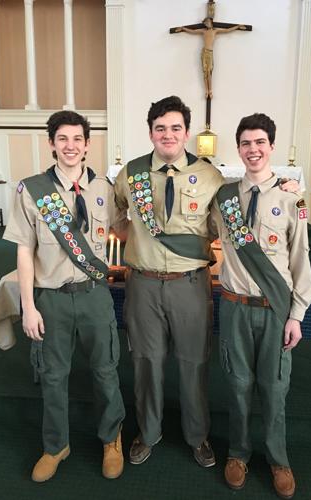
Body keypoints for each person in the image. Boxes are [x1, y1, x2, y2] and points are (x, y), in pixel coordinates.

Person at [3, 110, 126, 482]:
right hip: (51, 299)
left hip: (94, 296)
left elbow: (130, 223)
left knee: (106, 372)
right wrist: (28, 307)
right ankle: (56, 445)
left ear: (88, 144)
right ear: (52, 143)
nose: (70, 146)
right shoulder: (32, 190)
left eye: (77, 139)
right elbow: (24, 250)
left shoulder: (105, 188)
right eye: (63, 139)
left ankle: (111, 439)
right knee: (54, 375)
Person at [114, 95, 223, 468]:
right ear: (150, 133)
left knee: (193, 361)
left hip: (190, 285)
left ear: (187, 132)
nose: (168, 134)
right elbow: (114, 217)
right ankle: (148, 431)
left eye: (175, 127)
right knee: (146, 362)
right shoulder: (132, 174)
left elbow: (222, 224)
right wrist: (139, 244)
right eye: (160, 128)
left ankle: (197, 435)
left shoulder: (210, 176)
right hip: (142, 284)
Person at [211, 113, 311, 499]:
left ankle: (277, 458)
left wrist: (297, 315)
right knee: (237, 384)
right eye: (245, 143)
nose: (253, 150)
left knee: (274, 387)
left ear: (271, 147)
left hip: (275, 308)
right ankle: (238, 453)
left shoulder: (292, 199)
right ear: (238, 149)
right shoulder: (224, 198)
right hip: (235, 305)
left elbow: (301, 258)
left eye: (259, 143)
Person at [174, 18, 246, 98]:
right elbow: (193, 31)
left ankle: (210, 90)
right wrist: (183, 28)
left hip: (210, 53)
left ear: (211, 22)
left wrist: (237, 26)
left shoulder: (215, 31)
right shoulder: (203, 31)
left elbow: (227, 30)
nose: (206, 24)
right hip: (204, 52)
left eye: (207, 22)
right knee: (205, 72)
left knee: (209, 72)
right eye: (205, 23)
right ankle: (206, 91)